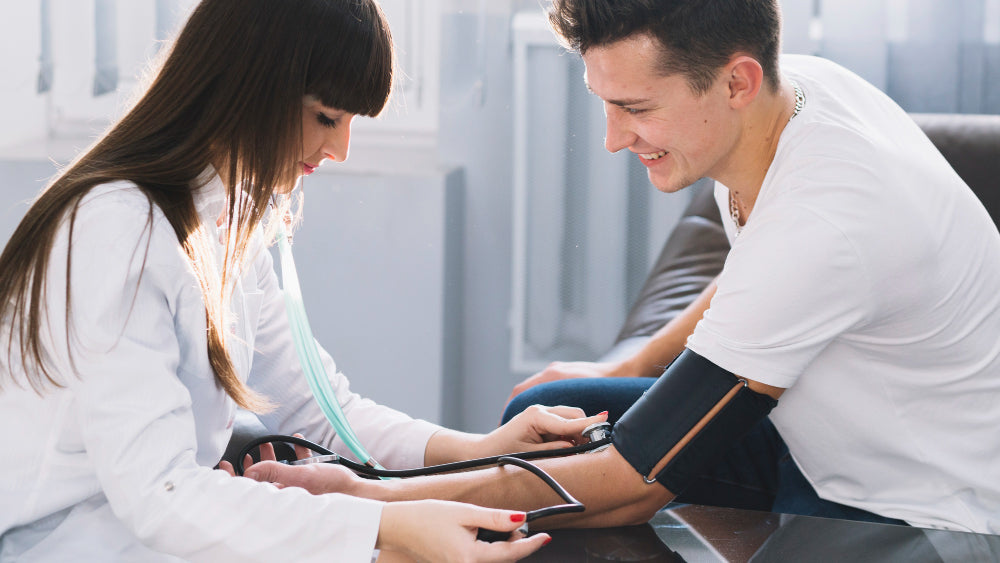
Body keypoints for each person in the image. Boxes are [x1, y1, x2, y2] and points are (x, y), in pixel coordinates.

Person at [239, 0, 1000, 535]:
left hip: (917, 509)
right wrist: (624, 362)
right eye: (605, 104)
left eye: (635, 107)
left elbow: (633, 483)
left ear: (734, 81)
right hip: (818, 434)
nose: (612, 139)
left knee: (580, 479)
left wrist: (371, 496)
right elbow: (762, 269)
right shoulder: (793, 91)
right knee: (557, 413)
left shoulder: (830, 217)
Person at [0, 1, 609, 561]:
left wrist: (479, 447)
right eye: (326, 116)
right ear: (250, 88)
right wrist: (381, 530)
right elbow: (159, 495)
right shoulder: (115, 231)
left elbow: (324, 412)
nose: (340, 148)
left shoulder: (224, 218)